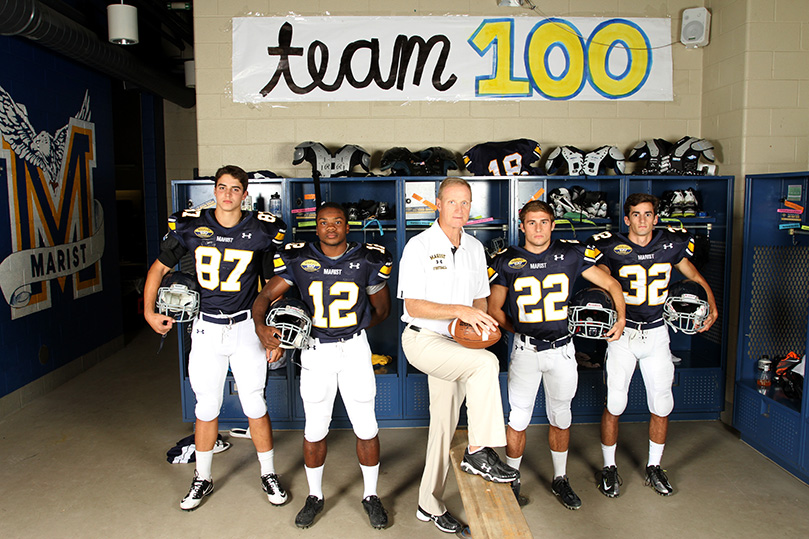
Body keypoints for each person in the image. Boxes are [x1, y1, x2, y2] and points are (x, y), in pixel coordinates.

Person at [143, 165, 289, 511]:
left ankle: (268, 473)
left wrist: (274, 333)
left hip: (245, 329)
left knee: (255, 403)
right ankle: (203, 477)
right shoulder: (192, 225)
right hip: (206, 327)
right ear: (215, 190)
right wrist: (149, 312)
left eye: (234, 189)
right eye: (222, 187)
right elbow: (159, 268)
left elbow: (276, 284)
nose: (227, 194)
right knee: (206, 406)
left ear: (245, 194)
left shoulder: (262, 230)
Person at [252, 202, 393, 530]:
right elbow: (263, 298)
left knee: (366, 426)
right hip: (315, 351)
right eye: (324, 222)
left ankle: (371, 495)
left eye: (338, 222)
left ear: (347, 226)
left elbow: (381, 310)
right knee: (315, 429)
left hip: (354, 349)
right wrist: (261, 328)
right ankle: (314, 495)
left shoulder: (367, 259)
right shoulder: (298, 258)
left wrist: (349, 333)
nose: (331, 227)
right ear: (316, 228)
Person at [398, 177, 519, 535]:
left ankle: (428, 503)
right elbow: (413, 304)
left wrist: (477, 322)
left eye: (465, 203)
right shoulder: (419, 246)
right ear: (438, 204)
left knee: (443, 426)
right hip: (423, 340)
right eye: (453, 202)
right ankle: (478, 451)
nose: (460, 210)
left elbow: (481, 298)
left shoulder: (475, 248)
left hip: (458, 345)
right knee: (487, 364)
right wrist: (459, 312)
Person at [487, 200, 626, 510]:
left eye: (544, 221)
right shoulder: (506, 260)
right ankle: (512, 478)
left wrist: (621, 317)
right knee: (518, 417)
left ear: (553, 224)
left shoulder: (572, 253)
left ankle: (560, 478)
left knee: (561, 415)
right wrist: (521, 332)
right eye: (532, 222)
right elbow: (494, 309)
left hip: (563, 349)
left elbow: (611, 283)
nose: (538, 228)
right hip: (526, 349)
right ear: (521, 226)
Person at [591, 193, 718, 497]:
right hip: (624, 334)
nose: (642, 220)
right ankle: (609, 466)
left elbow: (696, 276)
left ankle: (654, 466)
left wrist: (712, 307)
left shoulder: (671, 244)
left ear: (656, 218)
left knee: (662, 403)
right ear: (626, 219)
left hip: (658, 332)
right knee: (615, 402)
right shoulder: (611, 247)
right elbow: (603, 282)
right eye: (636, 214)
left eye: (648, 214)